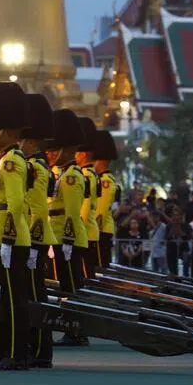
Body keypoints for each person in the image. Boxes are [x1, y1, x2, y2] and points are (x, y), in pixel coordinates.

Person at [0, 81, 33, 371]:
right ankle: (11, 352)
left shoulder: (12, 161)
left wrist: (8, 239)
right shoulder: (6, 160)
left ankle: (17, 354)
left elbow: (15, 204)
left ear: (9, 130)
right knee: (7, 298)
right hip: (4, 239)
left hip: (9, 240)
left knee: (14, 300)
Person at [21, 93, 56, 369]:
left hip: (34, 235)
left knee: (35, 294)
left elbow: (33, 208)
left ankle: (42, 350)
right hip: (36, 234)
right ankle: (40, 348)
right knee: (35, 292)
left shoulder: (34, 167)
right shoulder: (39, 165)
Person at [48, 110, 89, 347]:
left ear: (66, 149)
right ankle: (72, 329)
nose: (51, 153)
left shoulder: (72, 176)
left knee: (71, 287)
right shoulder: (63, 174)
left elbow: (73, 213)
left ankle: (76, 332)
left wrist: (68, 241)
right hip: (60, 237)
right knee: (65, 286)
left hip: (67, 238)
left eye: (55, 149)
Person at [77, 117, 101, 280]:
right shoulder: (91, 174)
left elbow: (84, 211)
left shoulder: (86, 175)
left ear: (83, 154)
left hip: (85, 233)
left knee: (86, 278)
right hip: (89, 232)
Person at [93, 130, 120, 270]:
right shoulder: (101, 179)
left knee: (99, 270)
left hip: (100, 232)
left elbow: (100, 212)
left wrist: (93, 233)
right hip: (100, 231)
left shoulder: (105, 181)